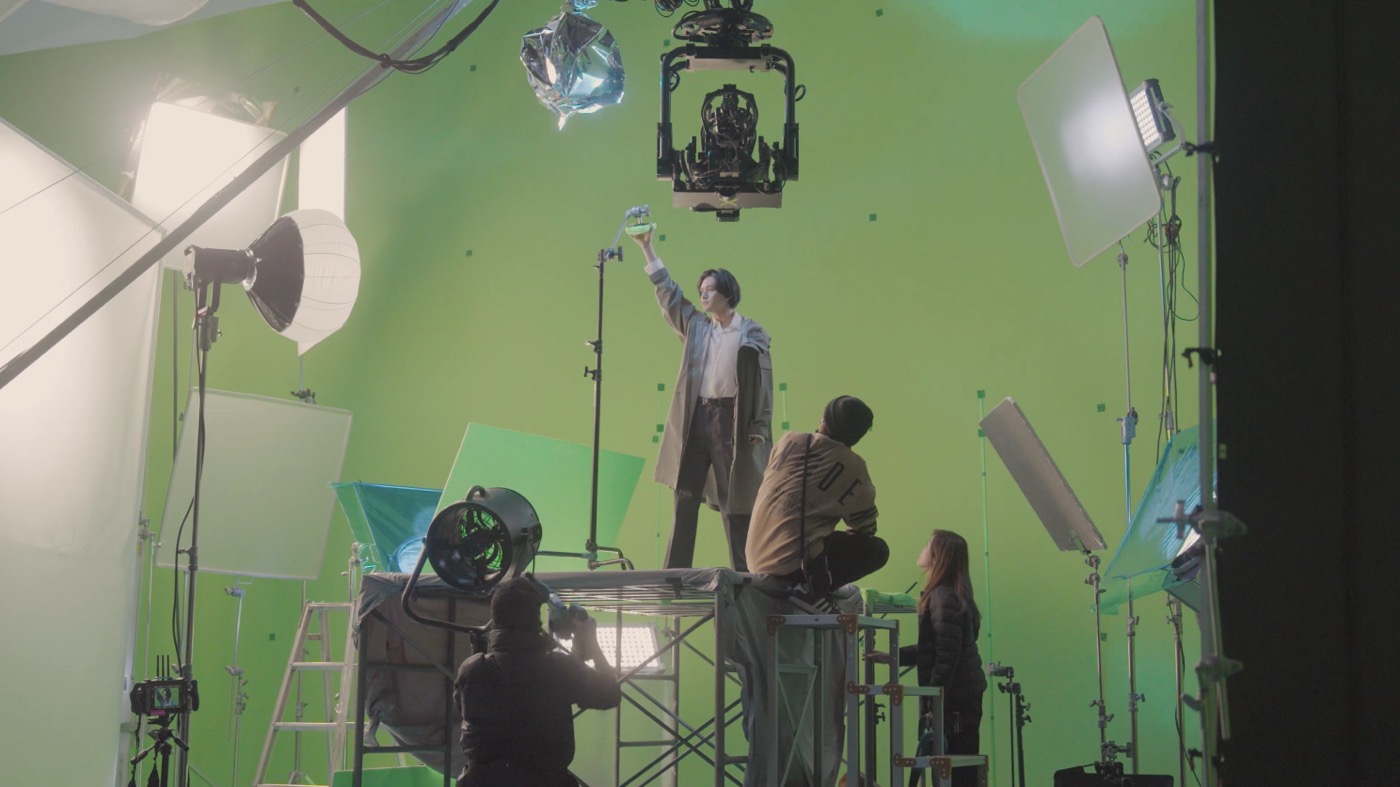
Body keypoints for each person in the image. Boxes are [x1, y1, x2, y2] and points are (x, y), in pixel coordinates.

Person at [629, 224, 773, 571]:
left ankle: (744, 576)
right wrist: (647, 248)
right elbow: (669, 294)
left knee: (734, 502)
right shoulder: (697, 327)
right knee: (684, 495)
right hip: (696, 417)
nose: (704, 295)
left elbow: (764, 382)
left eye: (710, 289)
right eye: (702, 290)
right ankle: (673, 576)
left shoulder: (751, 332)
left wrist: (759, 425)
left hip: (731, 420)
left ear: (727, 293)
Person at [453, 577, 621, 786]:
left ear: (495, 619)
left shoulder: (471, 669)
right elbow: (609, 695)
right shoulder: (559, 668)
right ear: (536, 620)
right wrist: (592, 644)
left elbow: (468, 708)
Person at [745, 395, 889, 610]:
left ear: (824, 420)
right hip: (793, 567)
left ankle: (812, 584)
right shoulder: (853, 466)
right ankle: (809, 590)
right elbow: (865, 528)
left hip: (755, 557)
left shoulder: (787, 441)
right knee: (877, 550)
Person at [867, 530, 987, 787]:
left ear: (938, 555)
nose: (922, 548)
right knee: (954, 766)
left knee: (953, 770)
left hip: (956, 698)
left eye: (927, 544)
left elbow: (946, 657)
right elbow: (936, 648)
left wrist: (934, 700)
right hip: (962, 694)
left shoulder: (943, 597)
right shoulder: (948, 595)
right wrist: (893, 656)